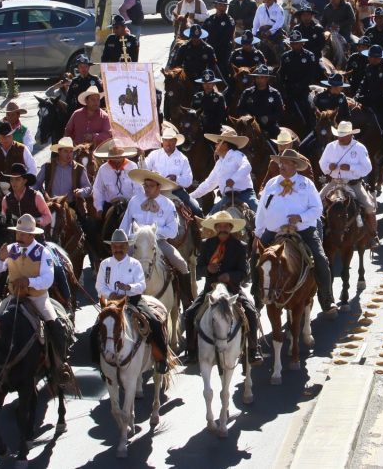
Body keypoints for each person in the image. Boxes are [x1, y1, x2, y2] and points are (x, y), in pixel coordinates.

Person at [0, 214, 73, 386]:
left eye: (22, 234)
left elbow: (47, 280)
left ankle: (60, 363)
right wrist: (1, 258)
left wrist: (29, 281)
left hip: (38, 299)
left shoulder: (43, 253)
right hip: (14, 297)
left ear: (32, 235)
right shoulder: (11, 249)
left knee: (55, 325)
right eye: (17, 233)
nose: (18, 236)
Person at [255, 150, 338, 318]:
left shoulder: (306, 184)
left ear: (294, 165)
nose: (281, 166)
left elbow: (317, 209)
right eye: (280, 163)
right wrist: (258, 233)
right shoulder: (272, 184)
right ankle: (258, 297)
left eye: (285, 163)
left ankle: (326, 298)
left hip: (303, 230)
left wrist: (300, 217)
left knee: (321, 259)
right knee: (255, 258)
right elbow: (261, 210)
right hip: (274, 231)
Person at [182, 211, 264, 364]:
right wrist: (208, 269)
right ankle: (191, 350)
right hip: (211, 289)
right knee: (190, 313)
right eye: (220, 226)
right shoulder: (206, 245)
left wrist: (230, 276)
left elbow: (244, 272)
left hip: (232, 289)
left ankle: (253, 349)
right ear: (216, 228)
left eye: (226, 226)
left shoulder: (240, 246)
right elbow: (199, 269)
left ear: (231, 227)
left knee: (252, 312)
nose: (223, 229)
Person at [120, 169, 194, 311]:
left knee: (181, 264)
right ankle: (115, 301)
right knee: (118, 263)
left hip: (158, 242)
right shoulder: (134, 201)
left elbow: (172, 231)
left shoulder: (168, 204)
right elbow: (124, 225)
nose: (146, 188)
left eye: (150, 186)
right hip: (136, 242)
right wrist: (124, 241)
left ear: (158, 187)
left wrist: (150, 233)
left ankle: (188, 302)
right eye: (145, 185)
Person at [94, 228, 170, 364]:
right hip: (112, 303)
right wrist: (110, 294)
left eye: (121, 246)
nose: (118, 249)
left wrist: (129, 288)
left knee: (155, 323)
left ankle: (162, 359)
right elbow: (99, 286)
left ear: (127, 246)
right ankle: (99, 363)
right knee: (95, 332)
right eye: (115, 247)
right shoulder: (105, 265)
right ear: (111, 247)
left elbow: (141, 285)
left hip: (133, 300)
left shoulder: (135, 264)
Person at [190, 126, 257, 213]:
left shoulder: (237, 154)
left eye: (218, 142)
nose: (215, 145)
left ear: (225, 145)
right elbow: (208, 184)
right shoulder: (219, 163)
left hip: (245, 195)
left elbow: (247, 166)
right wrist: (191, 196)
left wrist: (233, 179)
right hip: (227, 197)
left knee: (259, 215)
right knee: (209, 220)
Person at [144, 125, 203, 216]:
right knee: (138, 208)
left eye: (171, 140)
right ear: (162, 141)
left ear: (175, 141)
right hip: (156, 190)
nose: (168, 143)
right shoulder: (154, 155)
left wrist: (176, 178)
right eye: (166, 140)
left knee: (197, 209)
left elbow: (188, 180)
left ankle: (200, 228)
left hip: (177, 191)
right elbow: (144, 169)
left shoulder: (182, 158)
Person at [91, 140, 138, 216]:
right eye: (114, 157)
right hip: (110, 205)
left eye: (119, 156)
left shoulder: (132, 166)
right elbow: (98, 189)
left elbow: (138, 188)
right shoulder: (103, 169)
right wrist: (99, 208)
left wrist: (136, 205)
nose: (117, 159)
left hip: (129, 204)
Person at [0, 120, 37, 185]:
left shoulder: (22, 149)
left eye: (8, 136)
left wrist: (24, 180)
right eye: (3, 136)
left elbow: (32, 168)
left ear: (12, 135)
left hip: (19, 187)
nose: (6, 139)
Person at [237, 65, 284, 139]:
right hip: (251, 127)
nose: (259, 80)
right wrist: (247, 116)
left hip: (269, 127)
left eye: (262, 77)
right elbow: (240, 109)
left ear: (267, 78)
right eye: (257, 77)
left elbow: (280, 112)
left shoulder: (275, 93)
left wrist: (268, 118)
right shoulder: (247, 93)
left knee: (276, 142)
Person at [190, 70, 227, 136]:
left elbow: (222, 116)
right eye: (205, 83)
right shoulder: (196, 97)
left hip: (215, 129)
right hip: (199, 129)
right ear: (202, 84)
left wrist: (210, 124)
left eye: (210, 83)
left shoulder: (219, 97)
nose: (207, 85)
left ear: (213, 84)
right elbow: (193, 114)